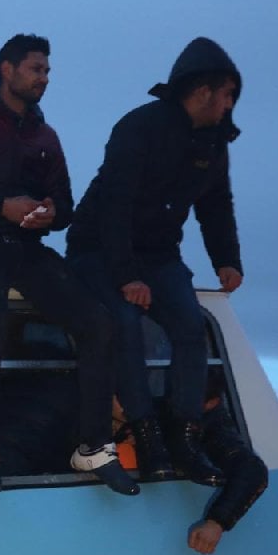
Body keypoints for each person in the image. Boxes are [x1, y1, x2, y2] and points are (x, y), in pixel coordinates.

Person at [0, 33, 136, 495]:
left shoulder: (46, 135)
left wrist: (49, 212)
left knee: (98, 323)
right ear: (7, 69)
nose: (45, 78)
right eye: (37, 69)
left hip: (27, 250)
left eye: (47, 71)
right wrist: (1, 205)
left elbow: (66, 203)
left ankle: (93, 447)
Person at [67, 37, 244, 487]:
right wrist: (126, 276)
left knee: (189, 325)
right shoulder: (140, 127)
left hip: (159, 254)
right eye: (227, 95)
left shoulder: (214, 145)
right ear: (202, 90)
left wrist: (227, 260)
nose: (229, 107)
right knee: (124, 322)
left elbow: (216, 205)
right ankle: (147, 439)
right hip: (98, 247)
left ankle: (185, 440)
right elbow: (115, 204)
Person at [185, 371, 268, 555]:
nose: (179, 402)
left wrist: (216, 523)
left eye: (188, 398)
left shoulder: (214, 426)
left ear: (212, 403)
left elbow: (252, 470)